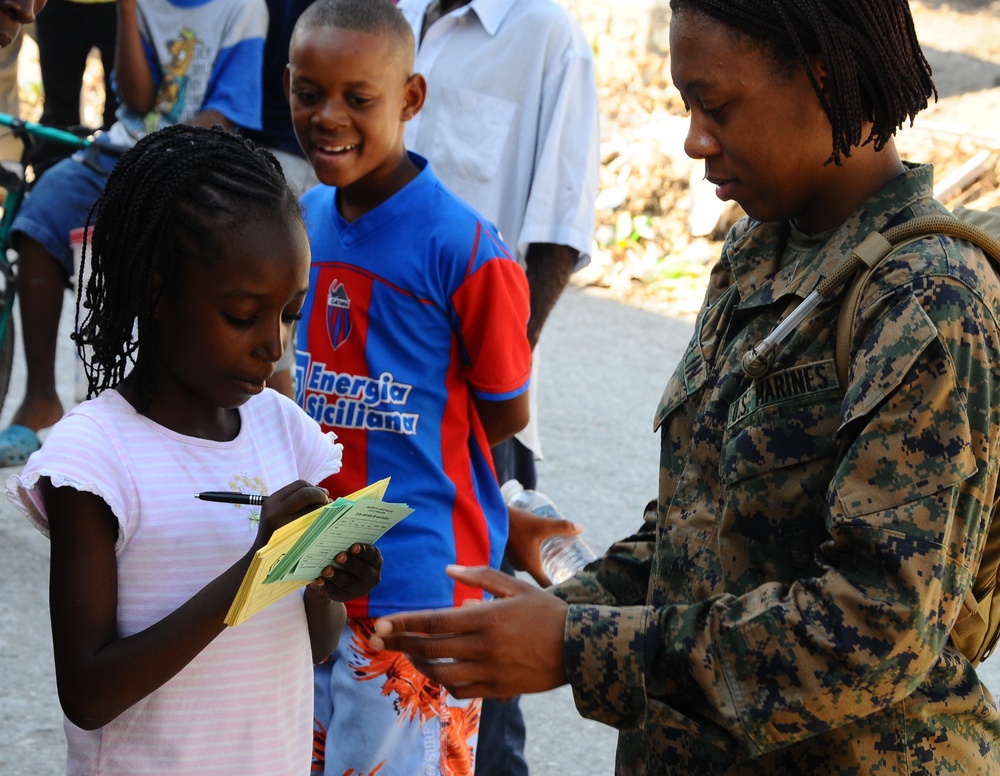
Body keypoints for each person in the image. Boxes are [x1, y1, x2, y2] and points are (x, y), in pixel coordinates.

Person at [368, 1, 1000, 773]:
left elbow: (876, 627)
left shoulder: (930, 299)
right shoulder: (755, 252)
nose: (695, 139)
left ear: (823, 77)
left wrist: (577, 646)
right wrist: (549, 613)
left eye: (717, 105)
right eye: (687, 106)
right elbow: (697, 531)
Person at [4, 123, 384, 774]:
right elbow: (89, 693)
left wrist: (326, 584)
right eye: (243, 314)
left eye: (290, 314)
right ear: (156, 289)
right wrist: (256, 571)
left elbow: (318, 645)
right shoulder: (94, 459)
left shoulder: (285, 431)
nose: (274, 343)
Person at [283, 0, 533, 772]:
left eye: (359, 98)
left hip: (417, 595)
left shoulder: (462, 247)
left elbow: (503, 414)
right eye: (306, 92)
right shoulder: (302, 220)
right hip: (309, 576)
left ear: (410, 99)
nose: (329, 117)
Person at [0, 0, 268, 467]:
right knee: (42, 210)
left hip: (197, 161)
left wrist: (158, 161)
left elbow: (229, 113)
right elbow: (138, 102)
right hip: (121, 153)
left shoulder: (244, 9)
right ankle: (41, 396)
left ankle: (153, 415)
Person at [28, 0, 118, 178]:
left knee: (120, 116)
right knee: (59, 113)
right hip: (60, 7)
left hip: (120, 8)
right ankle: (47, 182)